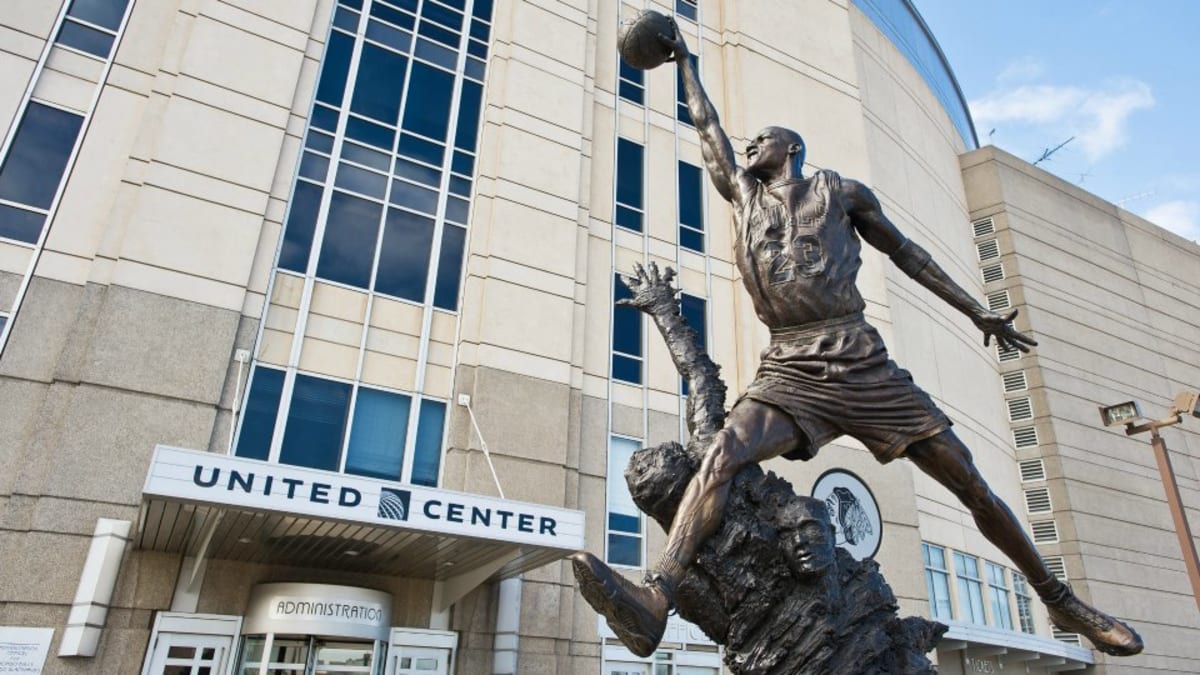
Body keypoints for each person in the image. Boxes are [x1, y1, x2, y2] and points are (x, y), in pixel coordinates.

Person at [571, 21, 1143, 658]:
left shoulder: (838, 192)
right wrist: (685, 63)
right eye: (751, 140)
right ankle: (658, 597)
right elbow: (707, 131)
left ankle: (1062, 601)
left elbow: (909, 254)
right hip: (790, 363)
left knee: (970, 483)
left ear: (791, 149)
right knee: (724, 454)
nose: (751, 145)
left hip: (859, 358)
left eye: (764, 139)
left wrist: (978, 312)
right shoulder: (744, 198)